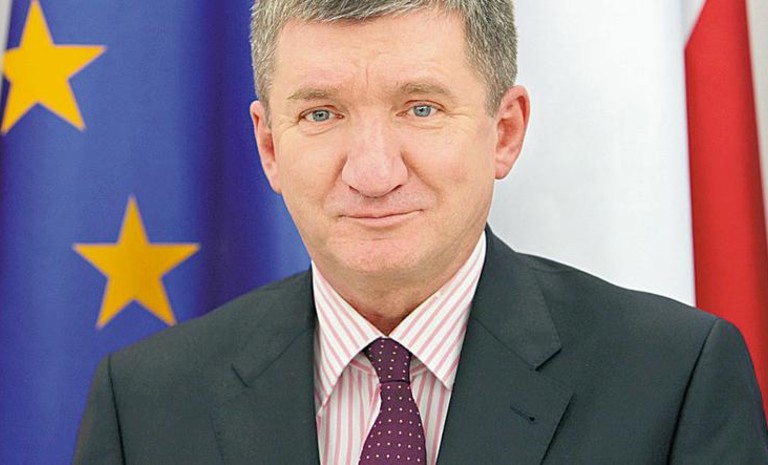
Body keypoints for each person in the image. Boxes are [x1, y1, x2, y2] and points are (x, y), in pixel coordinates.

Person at [74, 1, 768, 464]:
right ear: (270, 146)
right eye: (321, 114)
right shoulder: (144, 406)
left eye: (421, 108)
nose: (373, 172)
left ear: (505, 132)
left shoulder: (675, 382)